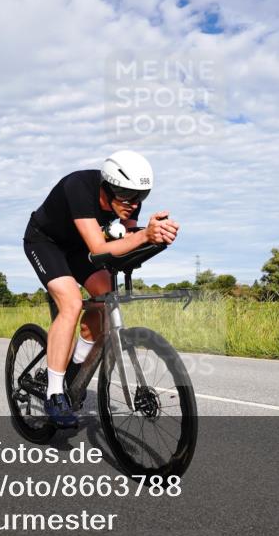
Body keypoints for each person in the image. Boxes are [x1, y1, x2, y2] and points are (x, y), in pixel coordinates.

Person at [23, 150, 179, 428]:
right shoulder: (78, 187)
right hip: (46, 242)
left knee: (106, 298)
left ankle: (74, 371)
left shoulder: (130, 202)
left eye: (140, 196)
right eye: (125, 194)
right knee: (71, 303)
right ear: (107, 186)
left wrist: (157, 237)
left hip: (79, 250)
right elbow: (99, 248)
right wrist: (144, 235)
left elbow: (127, 241)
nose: (132, 204)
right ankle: (55, 393)